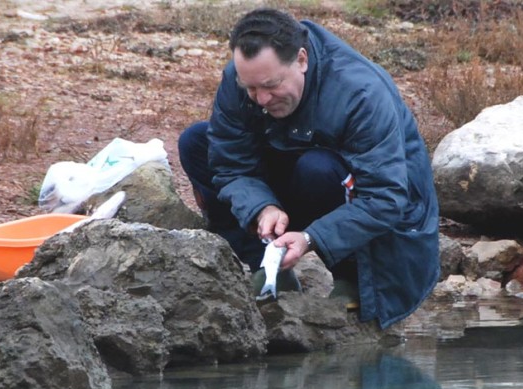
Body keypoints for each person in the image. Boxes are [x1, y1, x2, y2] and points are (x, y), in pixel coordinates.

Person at [178, 8, 439, 329]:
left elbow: (386, 199)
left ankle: (353, 275)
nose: (260, 99)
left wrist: (311, 237)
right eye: (251, 88)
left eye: (271, 86)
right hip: (296, 182)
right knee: (196, 142)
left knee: (317, 167)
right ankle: (269, 266)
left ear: (301, 59)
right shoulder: (242, 78)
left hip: (381, 214)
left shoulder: (360, 92)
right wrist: (263, 207)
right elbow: (230, 164)